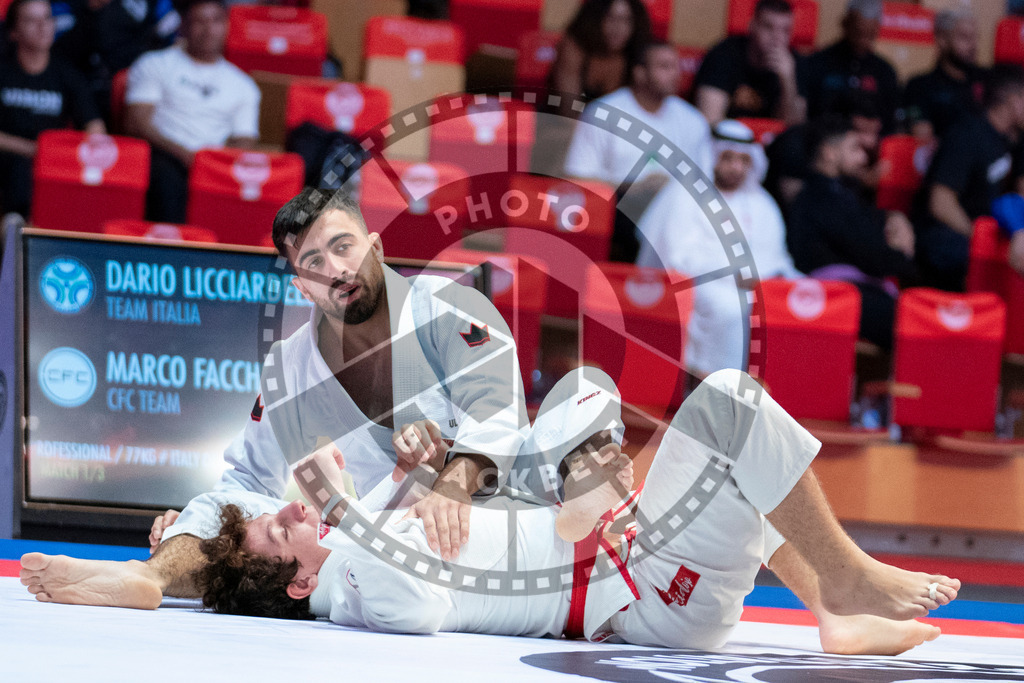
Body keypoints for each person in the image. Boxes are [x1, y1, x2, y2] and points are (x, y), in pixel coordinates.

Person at [45, 368, 958, 658]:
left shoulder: (351, 549)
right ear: (295, 576)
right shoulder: (353, 584)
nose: (291, 507)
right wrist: (350, 506)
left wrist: (421, 474)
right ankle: (843, 576)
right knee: (726, 402)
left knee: (586, 386)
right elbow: (419, 600)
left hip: (619, 554)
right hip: (639, 592)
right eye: (284, 524)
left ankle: (827, 605)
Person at [637, 119, 801, 377]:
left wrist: (757, 276)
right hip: (695, 285)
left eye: (744, 160)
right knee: (731, 308)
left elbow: (776, 258)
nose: (736, 168)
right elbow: (675, 258)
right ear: (711, 156)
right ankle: (717, 388)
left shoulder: (762, 204)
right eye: (728, 158)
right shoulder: (682, 195)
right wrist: (731, 272)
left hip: (755, 287)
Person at [564, 40, 714, 261]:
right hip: (617, 210)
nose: (675, 74)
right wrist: (633, 187)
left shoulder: (693, 121)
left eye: (676, 67)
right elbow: (576, 178)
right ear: (640, 73)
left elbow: (706, 184)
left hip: (675, 213)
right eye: (664, 67)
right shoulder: (603, 113)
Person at [787, 115, 917, 351]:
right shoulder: (821, 198)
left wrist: (894, 217)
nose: (863, 158)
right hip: (832, 299)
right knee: (919, 323)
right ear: (829, 153)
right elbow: (873, 256)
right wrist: (902, 254)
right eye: (855, 148)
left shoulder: (838, 193)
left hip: (852, 295)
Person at [123, 0, 260, 223]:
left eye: (216, 21)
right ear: (184, 26)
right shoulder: (155, 64)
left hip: (216, 167)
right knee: (164, 174)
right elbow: (136, 122)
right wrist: (184, 155)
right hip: (163, 157)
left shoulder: (244, 85)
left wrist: (213, 164)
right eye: (200, 21)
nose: (208, 30)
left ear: (227, 25)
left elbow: (245, 138)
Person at [914, 64, 1024, 292]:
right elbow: (940, 203)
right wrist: (979, 238)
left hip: (979, 232)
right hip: (942, 237)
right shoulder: (966, 135)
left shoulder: (1005, 140)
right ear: (1014, 101)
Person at [0, 0, 105, 219]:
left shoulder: (68, 74)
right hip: (7, 158)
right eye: (31, 20)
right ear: (13, 32)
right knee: (19, 167)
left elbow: (94, 126)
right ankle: (14, 229)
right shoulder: (4, 71)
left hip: (54, 163)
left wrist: (81, 152)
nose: (42, 27)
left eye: (47, 18)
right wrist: (31, 150)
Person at [52, 0, 181, 124]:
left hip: (130, 79)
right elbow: (48, 34)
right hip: (75, 74)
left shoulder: (155, 3)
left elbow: (175, 35)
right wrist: (89, 7)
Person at [765, 90, 883, 212]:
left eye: (875, 132)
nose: (871, 142)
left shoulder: (869, 153)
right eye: (862, 130)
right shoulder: (794, 146)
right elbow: (796, 210)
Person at [693, 0, 806, 126]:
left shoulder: (794, 64)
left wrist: (788, 81)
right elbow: (710, 121)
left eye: (785, 30)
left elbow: (795, 130)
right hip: (727, 141)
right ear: (752, 25)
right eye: (768, 27)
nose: (777, 37)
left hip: (771, 143)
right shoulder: (724, 54)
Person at [803, 0, 900, 134]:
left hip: (871, 145)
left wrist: (877, 126)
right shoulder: (818, 63)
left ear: (877, 29)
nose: (863, 41)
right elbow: (810, 115)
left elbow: (891, 121)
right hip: (826, 141)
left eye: (870, 35)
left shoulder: (885, 72)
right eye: (859, 33)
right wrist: (849, 123)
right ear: (846, 23)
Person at [902, 9, 983, 145]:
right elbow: (922, 139)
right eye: (965, 37)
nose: (973, 45)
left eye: (975, 37)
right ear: (942, 40)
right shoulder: (920, 87)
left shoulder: (988, 82)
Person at [548, 0, 651, 104]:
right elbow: (568, 109)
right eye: (610, 17)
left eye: (626, 20)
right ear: (595, 19)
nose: (617, 27)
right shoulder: (575, 45)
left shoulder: (637, 53)